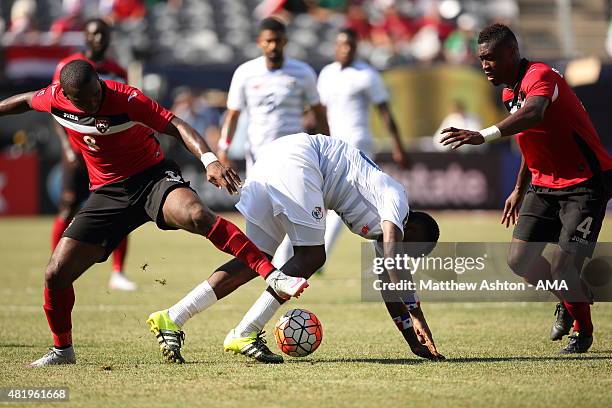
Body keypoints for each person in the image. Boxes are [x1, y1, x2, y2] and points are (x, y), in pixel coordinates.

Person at [0, 60, 309, 367]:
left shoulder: (126, 98)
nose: (94, 102)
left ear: (99, 82)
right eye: (85, 99)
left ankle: (273, 275)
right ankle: (62, 351)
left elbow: (176, 125)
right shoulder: (54, 98)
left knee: (197, 214)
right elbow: (24, 101)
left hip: (152, 179)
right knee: (56, 273)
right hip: (108, 194)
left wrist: (210, 160)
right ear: (67, 96)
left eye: (97, 93)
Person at [148, 133, 444, 364]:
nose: (405, 256)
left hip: (276, 158)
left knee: (256, 257)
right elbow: (393, 263)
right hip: (301, 160)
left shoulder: (383, 231)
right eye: (411, 252)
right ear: (414, 230)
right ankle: (245, 332)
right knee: (312, 255)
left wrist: (413, 339)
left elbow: (387, 285)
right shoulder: (397, 199)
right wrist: (416, 312)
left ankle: (173, 317)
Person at [440, 23, 612, 354]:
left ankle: (583, 331)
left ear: (511, 53)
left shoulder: (541, 75)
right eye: (481, 59)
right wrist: (519, 187)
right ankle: (572, 295)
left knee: (563, 268)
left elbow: (534, 114)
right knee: (519, 261)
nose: (485, 65)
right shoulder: (508, 92)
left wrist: (482, 135)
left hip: (585, 184)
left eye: (490, 58)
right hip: (543, 184)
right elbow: (529, 138)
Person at [51, 18, 136, 290]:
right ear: (85, 38)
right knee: (68, 205)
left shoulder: (117, 70)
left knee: (122, 210)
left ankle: (119, 272)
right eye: (93, 34)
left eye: (103, 34)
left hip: (110, 155)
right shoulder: (69, 66)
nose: (98, 38)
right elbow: (54, 108)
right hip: (78, 149)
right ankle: (57, 262)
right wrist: (67, 148)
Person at [312, 27, 407, 268]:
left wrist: (398, 146)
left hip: (358, 144)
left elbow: (384, 113)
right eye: (342, 45)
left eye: (351, 46)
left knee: (341, 203)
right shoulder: (326, 74)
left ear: (356, 47)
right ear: (335, 46)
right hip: (332, 145)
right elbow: (319, 113)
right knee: (330, 200)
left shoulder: (367, 74)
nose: (346, 49)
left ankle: (321, 258)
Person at [217, 17, 328, 174]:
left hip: (294, 152)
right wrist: (223, 149)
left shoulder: (303, 72)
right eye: (268, 41)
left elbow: (319, 114)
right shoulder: (245, 73)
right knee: (259, 197)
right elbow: (233, 115)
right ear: (259, 42)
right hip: (258, 152)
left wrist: (326, 151)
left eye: (277, 41)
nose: (273, 46)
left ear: (285, 41)